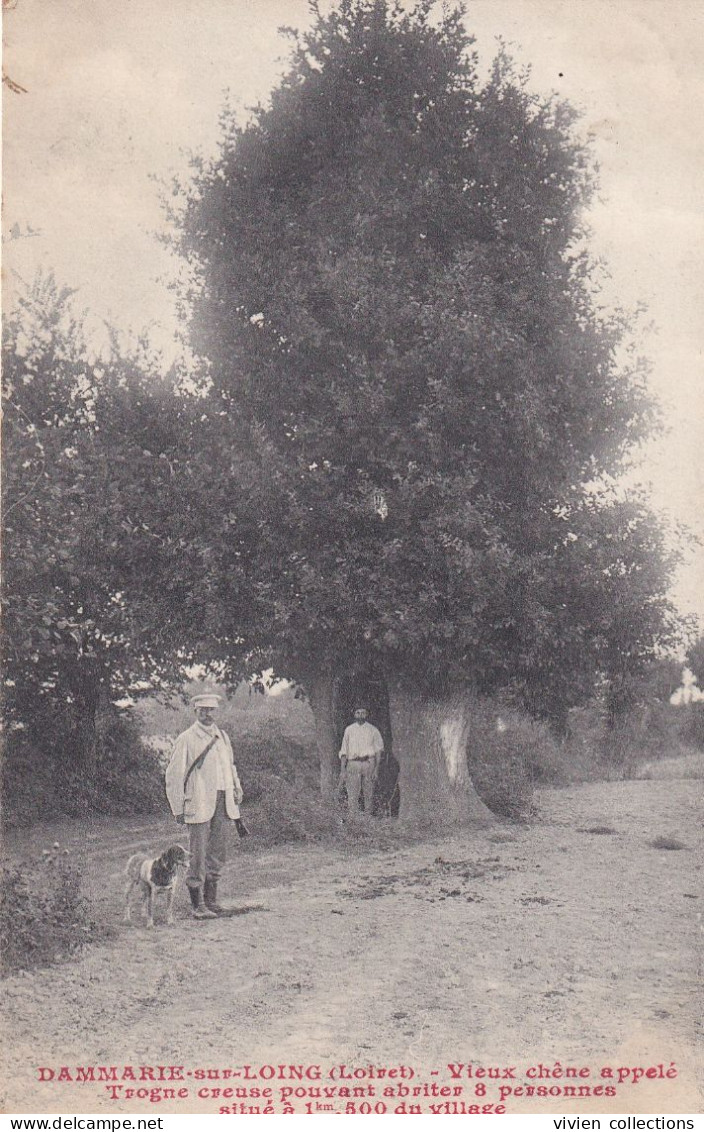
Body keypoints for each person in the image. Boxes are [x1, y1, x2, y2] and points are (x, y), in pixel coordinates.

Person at [165, 693, 243, 919]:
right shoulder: (187, 738)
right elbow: (174, 775)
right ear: (195, 711)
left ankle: (212, 900)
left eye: (211, 710)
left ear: (216, 711)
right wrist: (177, 807)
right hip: (199, 800)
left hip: (223, 799)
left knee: (218, 851)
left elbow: (230, 766)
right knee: (198, 853)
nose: (208, 714)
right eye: (203, 710)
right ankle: (197, 905)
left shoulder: (223, 737)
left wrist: (236, 787)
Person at [338, 706, 384, 817]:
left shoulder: (373, 730)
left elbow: (378, 751)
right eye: (358, 712)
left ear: (367, 714)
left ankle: (367, 819)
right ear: (354, 714)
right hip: (353, 763)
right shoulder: (349, 730)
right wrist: (343, 770)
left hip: (369, 763)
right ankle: (353, 820)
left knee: (369, 793)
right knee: (352, 794)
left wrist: (376, 769)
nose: (360, 715)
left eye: (363, 712)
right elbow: (344, 750)